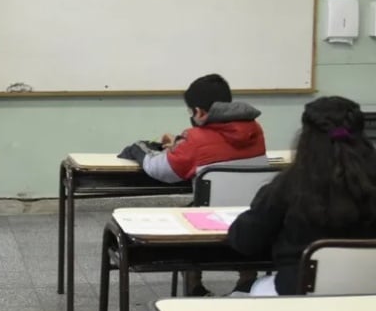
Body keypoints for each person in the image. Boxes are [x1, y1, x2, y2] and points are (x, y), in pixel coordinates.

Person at [119, 73, 267, 296]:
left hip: (206, 223)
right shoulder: (256, 131)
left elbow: (160, 170)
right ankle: (247, 280)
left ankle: (194, 285)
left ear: (198, 112)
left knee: (186, 212)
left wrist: (139, 150)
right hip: (252, 219)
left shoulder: (196, 139)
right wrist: (182, 144)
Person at [228, 96, 376, 296]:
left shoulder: (287, 186)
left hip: (297, 297)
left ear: (305, 137)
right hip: (368, 296)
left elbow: (245, 240)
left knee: (243, 294)